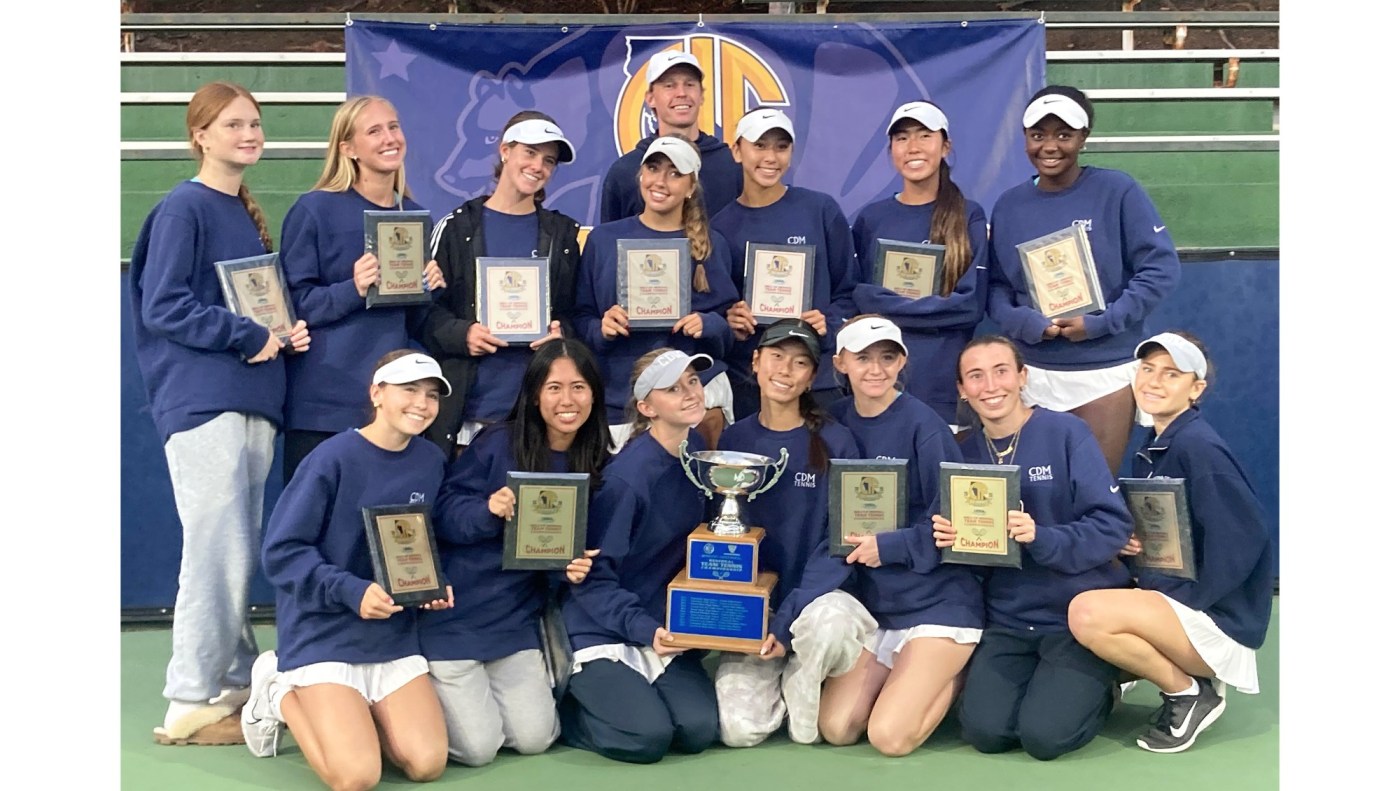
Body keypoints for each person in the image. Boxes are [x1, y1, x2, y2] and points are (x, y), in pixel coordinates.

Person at [130, 80, 311, 746]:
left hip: (253, 399)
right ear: (200, 134)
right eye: (234, 124)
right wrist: (246, 334)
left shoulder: (240, 212)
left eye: (255, 123)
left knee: (234, 547)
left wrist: (283, 332)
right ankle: (188, 693)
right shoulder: (184, 207)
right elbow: (163, 304)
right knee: (216, 547)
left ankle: (232, 676)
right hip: (205, 400)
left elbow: (252, 308)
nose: (250, 134)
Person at [239, 350, 453, 788]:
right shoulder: (330, 458)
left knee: (426, 764)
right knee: (356, 777)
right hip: (324, 633)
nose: (422, 403)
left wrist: (431, 585)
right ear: (377, 394)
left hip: (391, 636)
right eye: (409, 390)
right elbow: (282, 552)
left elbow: (419, 544)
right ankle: (277, 693)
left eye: (432, 394)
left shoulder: (431, 461)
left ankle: (350, 714)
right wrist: (351, 591)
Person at [1068, 331, 1274, 753]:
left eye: (1171, 374)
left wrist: (1189, 599)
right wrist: (1134, 546)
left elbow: (1245, 537)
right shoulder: (1159, 440)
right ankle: (1156, 676)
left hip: (1216, 621)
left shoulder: (1199, 447)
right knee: (1077, 609)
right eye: (1148, 369)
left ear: (1196, 389)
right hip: (1179, 600)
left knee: (1087, 614)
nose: (1154, 381)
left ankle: (1190, 692)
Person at [933, 335, 1135, 761]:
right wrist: (949, 539)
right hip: (1009, 619)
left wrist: (1042, 537)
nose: (991, 386)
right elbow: (955, 546)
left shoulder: (1066, 432)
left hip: (1073, 618)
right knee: (987, 734)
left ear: (1022, 376)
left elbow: (1112, 526)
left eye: (1001, 371)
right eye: (976, 376)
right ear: (962, 389)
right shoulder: (963, 453)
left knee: (1045, 739)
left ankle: (1107, 683)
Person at [421, 338, 608, 766]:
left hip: (515, 623)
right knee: (478, 748)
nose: (567, 400)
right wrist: (487, 510)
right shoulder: (497, 442)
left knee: (535, 738)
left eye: (578, 387)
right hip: (457, 615)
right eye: (554, 387)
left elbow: (570, 554)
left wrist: (572, 569)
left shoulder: (597, 461)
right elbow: (444, 514)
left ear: (595, 394)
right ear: (535, 394)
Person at [986, 85, 1180, 474]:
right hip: (1032, 371)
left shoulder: (1118, 190)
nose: (1050, 146)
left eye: (1064, 134)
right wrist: (1025, 323)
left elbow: (1160, 268)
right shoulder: (1009, 204)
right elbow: (996, 287)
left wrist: (1101, 323)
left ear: (1083, 138)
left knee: (1093, 489)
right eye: (1038, 135)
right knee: (1035, 492)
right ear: (1025, 138)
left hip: (1104, 371)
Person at [819, 316, 982, 756]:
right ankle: (909, 677)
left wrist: (890, 546)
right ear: (840, 363)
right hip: (876, 608)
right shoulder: (832, 422)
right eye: (863, 358)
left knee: (889, 737)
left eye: (887, 358)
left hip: (937, 601)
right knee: (837, 728)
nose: (876, 369)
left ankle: (957, 672)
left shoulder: (925, 425)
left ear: (902, 362)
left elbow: (954, 519)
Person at [556, 349, 721, 763]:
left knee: (698, 731)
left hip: (659, 626)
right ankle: (567, 711)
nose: (690, 393)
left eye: (693, 382)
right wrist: (644, 628)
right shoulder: (626, 480)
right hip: (602, 629)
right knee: (646, 739)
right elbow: (592, 580)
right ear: (647, 408)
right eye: (673, 389)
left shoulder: (696, 451)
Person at [712, 319, 869, 748]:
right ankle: (776, 685)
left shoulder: (837, 441)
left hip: (819, 601)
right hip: (758, 612)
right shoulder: (734, 439)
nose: (785, 370)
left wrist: (786, 623)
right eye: (777, 357)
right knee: (738, 731)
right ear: (756, 362)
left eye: (800, 363)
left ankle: (805, 674)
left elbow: (840, 543)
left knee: (830, 627)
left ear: (812, 377)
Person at [279, 95, 446, 481]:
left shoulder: (414, 216)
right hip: (323, 407)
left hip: (387, 408)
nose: (390, 138)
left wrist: (429, 289)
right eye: (374, 131)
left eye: (393, 127)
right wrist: (353, 288)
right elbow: (292, 307)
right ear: (348, 148)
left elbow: (413, 321)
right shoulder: (315, 209)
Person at [423, 111, 584, 455]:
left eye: (549, 160)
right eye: (530, 152)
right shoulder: (455, 228)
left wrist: (562, 335)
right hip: (469, 416)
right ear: (505, 151)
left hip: (538, 418)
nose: (538, 166)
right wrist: (462, 334)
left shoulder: (563, 235)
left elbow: (577, 314)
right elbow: (425, 314)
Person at [572, 135, 739, 450]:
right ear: (640, 175)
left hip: (688, 392)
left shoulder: (711, 244)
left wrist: (707, 323)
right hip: (620, 394)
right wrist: (601, 328)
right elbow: (580, 317)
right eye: (653, 168)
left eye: (675, 173)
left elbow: (728, 328)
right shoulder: (603, 240)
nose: (661, 181)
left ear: (691, 187)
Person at [850, 101, 990, 432]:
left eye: (925, 136)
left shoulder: (968, 216)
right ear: (891, 150)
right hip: (880, 384)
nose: (913, 147)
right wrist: (936, 310)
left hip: (945, 386)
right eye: (902, 138)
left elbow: (970, 306)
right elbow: (859, 299)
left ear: (946, 146)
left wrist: (887, 307)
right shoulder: (872, 218)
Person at [712, 107, 859, 419]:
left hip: (819, 380)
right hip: (750, 383)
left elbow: (849, 291)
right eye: (759, 145)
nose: (771, 157)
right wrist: (730, 321)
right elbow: (716, 307)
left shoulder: (820, 210)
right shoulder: (720, 228)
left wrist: (829, 323)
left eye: (781, 147)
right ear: (737, 151)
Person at [599, 49, 743, 224]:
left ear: (702, 96)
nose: (681, 93)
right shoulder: (624, 171)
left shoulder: (732, 166)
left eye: (689, 84)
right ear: (650, 98)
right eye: (669, 85)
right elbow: (610, 237)